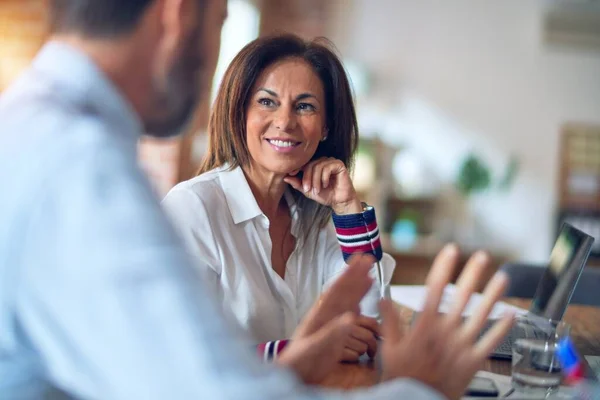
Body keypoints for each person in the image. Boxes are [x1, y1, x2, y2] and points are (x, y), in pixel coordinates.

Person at [0, 0, 514, 399]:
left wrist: (296, 361)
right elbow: (211, 390)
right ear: (180, 15)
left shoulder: (38, 133)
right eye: (222, 20)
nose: (285, 121)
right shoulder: (85, 168)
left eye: (304, 106)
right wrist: (418, 389)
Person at [162, 34, 393, 361]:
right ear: (239, 112)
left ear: (326, 126)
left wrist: (348, 210)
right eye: (267, 101)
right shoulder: (191, 208)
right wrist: (302, 351)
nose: (285, 122)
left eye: (304, 106)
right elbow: (178, 355)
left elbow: (374, 323)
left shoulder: (323, 220)